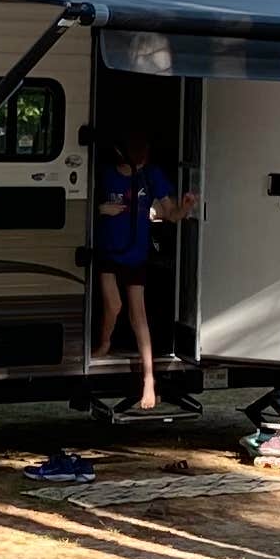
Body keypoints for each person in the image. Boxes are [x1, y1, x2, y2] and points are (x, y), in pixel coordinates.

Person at [90, 134, 188, 411]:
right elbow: (84, 206)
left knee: (139, 316)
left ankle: (149, 380)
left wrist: (185, 208)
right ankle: (105, 341)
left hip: (136, 253)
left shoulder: (150, 176)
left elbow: (171, 214)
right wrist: (101, 210)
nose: (140, 163)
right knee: (114, 304)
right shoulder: (106, 175)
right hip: (109, 251)